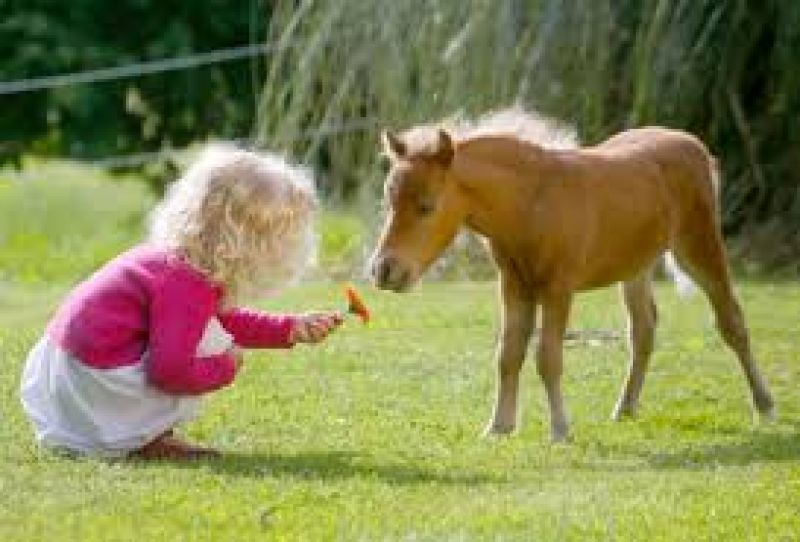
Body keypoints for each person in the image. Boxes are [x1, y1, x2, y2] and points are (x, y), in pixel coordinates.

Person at [20, 144, 342, 460]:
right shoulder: (186, 283)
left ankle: (138, 433)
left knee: (201, 333)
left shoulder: (173, 261)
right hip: (93, 388)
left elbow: (215, 318)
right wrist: (225, 367)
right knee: (211, 345)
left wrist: (289, 328)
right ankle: (140, 436)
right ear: (251, 243)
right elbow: (170, 371)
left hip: (67, 379)